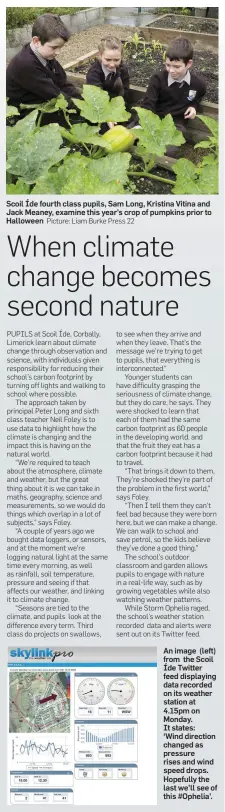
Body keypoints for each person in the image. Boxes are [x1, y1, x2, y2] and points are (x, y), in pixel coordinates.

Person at [6, 13, 81, 118]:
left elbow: (63, 84)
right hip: (25, 114)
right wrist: (82, 110)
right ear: (36, 41)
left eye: (60, 47)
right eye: (54, 47)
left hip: (43, 100)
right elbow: (55, 95)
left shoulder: (45, 55)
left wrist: (83, 102)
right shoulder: (25, 65)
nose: (58, 52)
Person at [138, 37, 206, 152]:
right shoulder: (157, 79)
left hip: (176, 123)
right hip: (155, 118)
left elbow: (200, 95)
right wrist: (143, 124)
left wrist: (194, 106)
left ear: (189, 64)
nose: (171, 70)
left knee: (168, 150)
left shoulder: (198, 84)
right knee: (131, 136)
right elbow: (148, 104)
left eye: (177, 67)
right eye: (168, 65)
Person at [86, 37, 130, 129]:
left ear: (121, 56)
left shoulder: (123, 70)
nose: (112, 64)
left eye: (116, 60)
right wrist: (108, 116)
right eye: (108, 59)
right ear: (100, 55)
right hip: (98, 108)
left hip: (117, 106)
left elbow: (125, 93)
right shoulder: (93, 74)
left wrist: (117, 113)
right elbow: (97, 98)